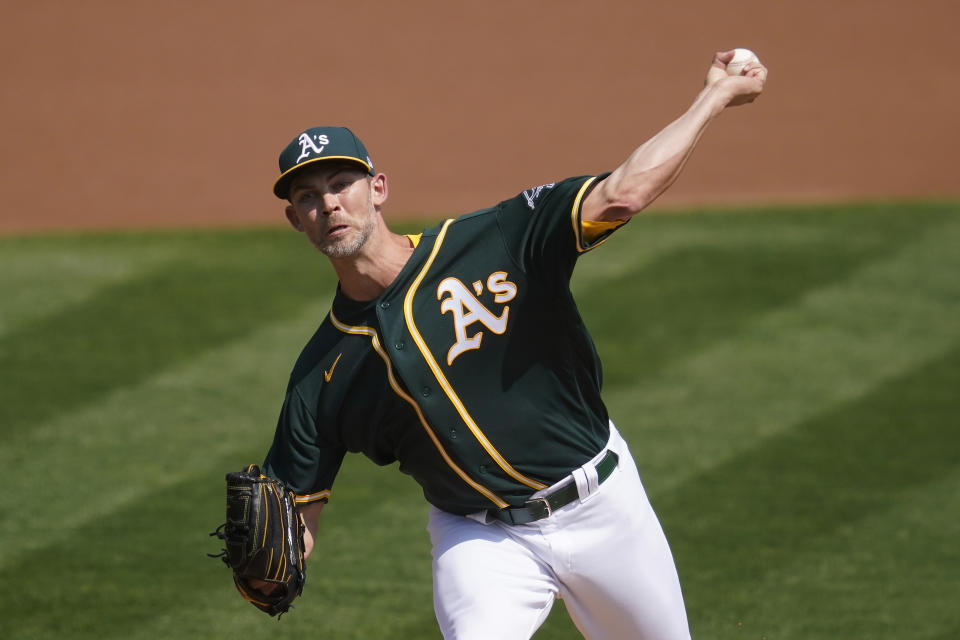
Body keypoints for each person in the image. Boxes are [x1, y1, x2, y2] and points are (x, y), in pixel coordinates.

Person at [252, 50, 767, 639]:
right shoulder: (322, 371)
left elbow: (622, 193)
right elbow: (295, 511)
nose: (329, 205)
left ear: (379, 187)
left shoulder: (498, 238)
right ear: (296, 219)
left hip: (602, 506)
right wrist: (268, 568)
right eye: (308, 197)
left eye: (341, 184)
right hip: (481, 538)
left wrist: (716, 97)